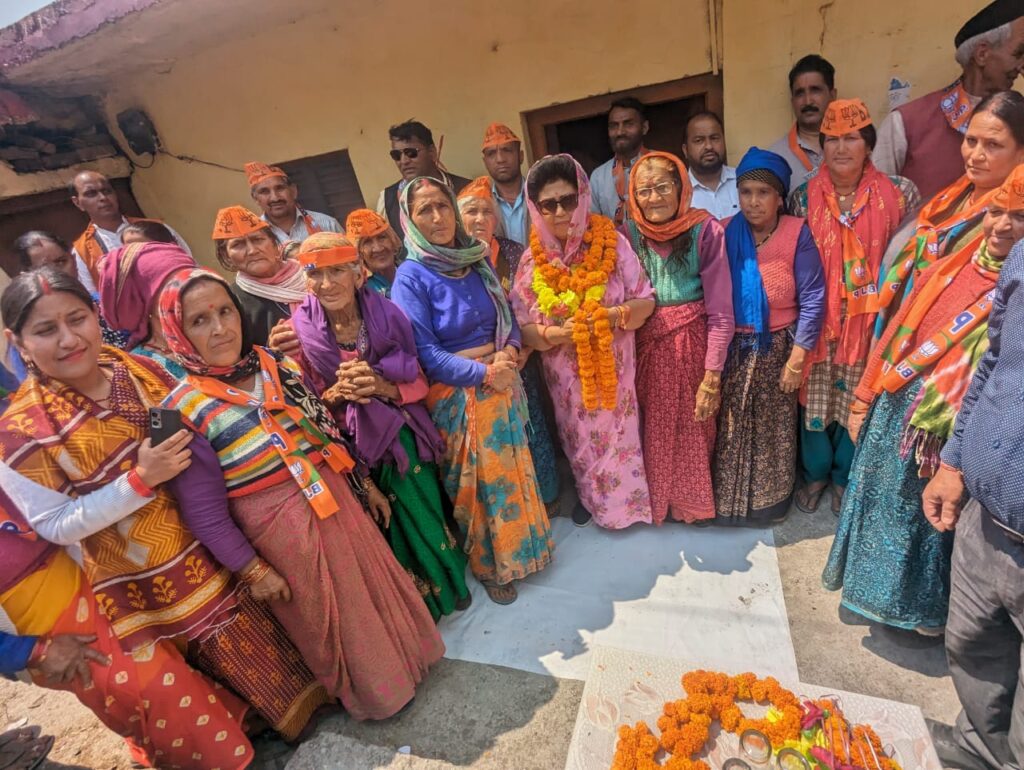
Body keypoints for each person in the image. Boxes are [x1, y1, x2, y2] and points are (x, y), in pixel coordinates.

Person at [0, 267, 329, 740]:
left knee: (284, 643)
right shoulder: (21, 430)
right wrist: (139, 481)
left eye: (77, 319)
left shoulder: (134, 366)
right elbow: (55, 524)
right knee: (230, 678)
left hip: (219, 533)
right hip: (154, 575)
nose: (69, 339)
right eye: (46, 330)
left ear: (95, 314)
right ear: (18, 341)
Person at [157, 266, 444, 718]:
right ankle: (380, 696)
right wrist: (253, 570)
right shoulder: (176, 411)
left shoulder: (276, 364)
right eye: (199, 320)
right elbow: (203, 512)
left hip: (335, 501)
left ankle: (412, 662)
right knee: (332, 621)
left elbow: (325, 431)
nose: (219, 328)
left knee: (371, 591)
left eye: (225, 312)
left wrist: (365, 484)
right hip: (282, 536)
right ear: (176, 332)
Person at [825, 165, 1024, 642]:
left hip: (946, 429)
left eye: (1018, 217)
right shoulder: (952, 266)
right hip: (897, 407)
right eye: (995, 211)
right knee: (879, 506)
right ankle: (871, 597)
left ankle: (920, 614)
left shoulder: (1011, 286)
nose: (1000, 225)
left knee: (925, 523)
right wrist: (864, 396)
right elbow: (896, 331)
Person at [0, 471, 255, 769]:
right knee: (152, 687)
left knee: (169, 662)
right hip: (38, 626)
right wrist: (33, 652)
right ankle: (222, 758)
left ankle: (223, 735)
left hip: (85, 575)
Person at [287, 233, 471, 620]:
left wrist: (379, 386)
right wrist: (337, 394)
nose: (326, 283)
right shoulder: (298, 331)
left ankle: (452, 583)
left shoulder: (389, 316)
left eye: (337, 271)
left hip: (403, 435)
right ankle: (422, 605)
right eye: (316, 273)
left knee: (427, 515)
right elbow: (304, 407)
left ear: (358, 273)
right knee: (389, 528)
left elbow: (419, 380)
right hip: (351, 449)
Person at [390, 176, 553, 605]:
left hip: (502, 379)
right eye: (425, 210)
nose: (437, 217)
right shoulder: (411, 276)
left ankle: (528, 551)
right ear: (409, 220)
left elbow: (509, 318)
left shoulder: (476, 259)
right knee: (478, 489)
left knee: (515, 473)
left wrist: (510, 352)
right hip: (458, 394)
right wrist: (484, 373)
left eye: (442, 206)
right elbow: (425, 352)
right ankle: (491, 566)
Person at [787, 99, 921, 514]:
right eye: (831, 140)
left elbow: (911, 258)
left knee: (857, 400)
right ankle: (815, 474)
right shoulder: (802, 198)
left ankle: (845, 477)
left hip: (872, 320)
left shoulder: (900, 193)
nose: (841, 148)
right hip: (818, 320)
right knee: (814, 400)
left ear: (868, 144)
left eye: (851, 138)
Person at [922, 234, 1024, 770]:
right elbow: (994, 363)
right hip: (985, 517)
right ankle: (980, 748)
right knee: (972, 643)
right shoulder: (1023, 257)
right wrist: (955, 461)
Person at [511, 154, 656, 529]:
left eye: (568, 200)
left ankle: (628, 508)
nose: (560, 212)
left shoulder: (613, 244)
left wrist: (612, 316)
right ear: (536, 208)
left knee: (621, 438)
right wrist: (554, 335)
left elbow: (645, 301)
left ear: (583, 197)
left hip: (616, 372)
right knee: (579, 441)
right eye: (549, 204)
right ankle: (592, 500)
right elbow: (521, 326)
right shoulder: (531, 262)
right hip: (566, 382)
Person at [712, 148, 825, 524]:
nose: (753, 201)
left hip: (778, 348)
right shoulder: (724, 232)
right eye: (746, 192)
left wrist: (797, 359)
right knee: (731, 427)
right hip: (733, 348)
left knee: (774, 432)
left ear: (779, 197)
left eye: (763, 193)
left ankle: (770, 506)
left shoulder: (797, 233)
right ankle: (730, 506)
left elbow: (813, 298)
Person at [623, 151, 734, 524]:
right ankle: (660, 503)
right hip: (646, 346)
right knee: (652, 426)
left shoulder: (706, 231)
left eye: (662, 187)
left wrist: (712, 375)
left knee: (694, 426)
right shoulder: (627, 235)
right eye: (644, 191)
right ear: (633, 196)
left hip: (693, 344)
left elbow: (721, 310)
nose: (653, 198)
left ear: (680, 187)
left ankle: (691, 506)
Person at [877, 90, 1024, 330]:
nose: (976, 155)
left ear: (1021, 153)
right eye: (971, 141)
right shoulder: (945, 200)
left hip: (963, 339)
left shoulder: (1014, 221)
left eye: (993, 145)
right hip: (906, 331)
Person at [456, 176, 562, 509]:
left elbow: (533, 303)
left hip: (522, 356)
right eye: (471, 212)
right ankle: (519, 509)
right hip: (478, 369)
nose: (479, 219)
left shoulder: (515, 252)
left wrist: (523, 348)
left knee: (534, 427)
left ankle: (548, 498)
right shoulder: (451, 261)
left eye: (487, 212)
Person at [874, 1, 1024, 201]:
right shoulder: (906, 123)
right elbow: (874, 202)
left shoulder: (1020, 120)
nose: (1021, 65)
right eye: (1018, 53)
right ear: (982, 54)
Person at [68, 170, 191, 293]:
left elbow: (189, 266)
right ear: (77, 203)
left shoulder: (155, 228)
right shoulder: (81, 251)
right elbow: (93, 295)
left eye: (107, 191)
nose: (103, 198)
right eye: (91, 194)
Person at [12, 230, 130, 355]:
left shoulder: (110, 305)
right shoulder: (27, 335)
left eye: (61, 262)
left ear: (74, 261)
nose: (57, 272)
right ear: (27, 276)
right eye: (44, 268)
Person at [97, 241, 196, 379]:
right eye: (174, 287)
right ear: (143, 304)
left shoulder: (219, 333)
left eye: (192, 281)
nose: (192, 293)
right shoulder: (143, 370)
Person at [212, 204, 307, 346]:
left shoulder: (310, 275)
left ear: (274, 243)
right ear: (226, 256)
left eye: (257, 240)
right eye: (238, 245)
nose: (252, 251)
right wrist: (273, 353)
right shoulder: (232, 302)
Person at [376, 120, 472, 242]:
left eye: (411, 153)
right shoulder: (387, 200)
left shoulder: (468, 189)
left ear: (432, 152)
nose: (404, 161)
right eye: (396, 155)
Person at [769, 55, 837, 188]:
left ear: (832, 95)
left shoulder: (857, 144)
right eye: (800, 93)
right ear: (792, 101)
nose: (808, 101)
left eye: (815, 90)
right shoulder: (776, 157)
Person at [245, 161, 344, 244]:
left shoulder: (328, 225)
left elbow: (350, 260)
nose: (275, 198)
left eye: (280, 188)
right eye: (264, 191)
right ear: (255, 199)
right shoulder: (253, 236)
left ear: (293, 191)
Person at [590, 97, 650, 225]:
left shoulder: (662, 164)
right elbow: (593, 225)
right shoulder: (598, 177)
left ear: (644, 127)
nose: (620, 132)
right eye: (614, 126)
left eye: (628, 124)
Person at [683, 111, 739, 221]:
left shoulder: (743, 180)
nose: (709, 146)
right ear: (685, 150)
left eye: (714, 138)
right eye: (699, 140)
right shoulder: (678, 193)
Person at [481, 122, 530, 244]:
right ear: (485, 162)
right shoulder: (480, 205)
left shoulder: (540, 195)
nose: (500, 159)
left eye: (507, 150)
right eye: (491, 153)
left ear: (521, 156)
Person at [345, 208, 403, 297]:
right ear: (358, 251)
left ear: (392, 240)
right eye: (367, 242)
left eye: (382, 237)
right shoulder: (360, 289)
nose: (378, 248)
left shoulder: (412, 270)